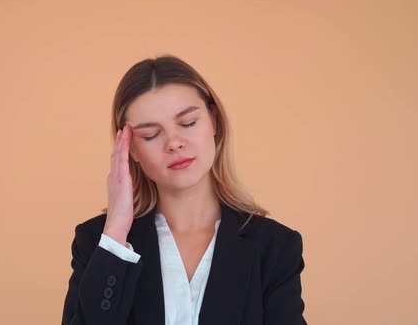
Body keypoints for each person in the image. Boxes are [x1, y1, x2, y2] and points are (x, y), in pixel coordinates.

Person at [61, 55, 307, 325]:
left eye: (188, 123)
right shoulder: (99, 244)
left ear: (214, 120)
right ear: (130, 148)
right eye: (151, 135)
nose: (174, 143)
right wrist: (117, 229)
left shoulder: (274, 248)